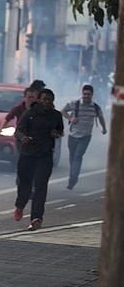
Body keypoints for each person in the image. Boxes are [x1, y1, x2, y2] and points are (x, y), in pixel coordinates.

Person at [13, 89, 63, 230]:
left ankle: (36, 218)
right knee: (25, 185)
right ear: (39, 100)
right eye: (44, 99)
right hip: (27, 154)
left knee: (41, 186)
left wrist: (56, 133)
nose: (47, 102)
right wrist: (24, 138)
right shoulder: (29, 114)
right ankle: (20, 206)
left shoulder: (56, 115)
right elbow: (18, 131)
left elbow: (60, 130)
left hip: (45, 155)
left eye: (50, 99)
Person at [61, 84, 107, 190]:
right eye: (84, 94)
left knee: (78, 156)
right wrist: (70, 118)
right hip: (72, 136)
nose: (86, 96)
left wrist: (104, 128)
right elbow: (63, 111)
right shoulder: (74, 104)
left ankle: (73, 178)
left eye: (88, 94)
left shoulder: (95, 107)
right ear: (82, 94)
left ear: (92, 95)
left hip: (85, 136)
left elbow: (101, 118)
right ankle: (72, 176)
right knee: (72, 157)